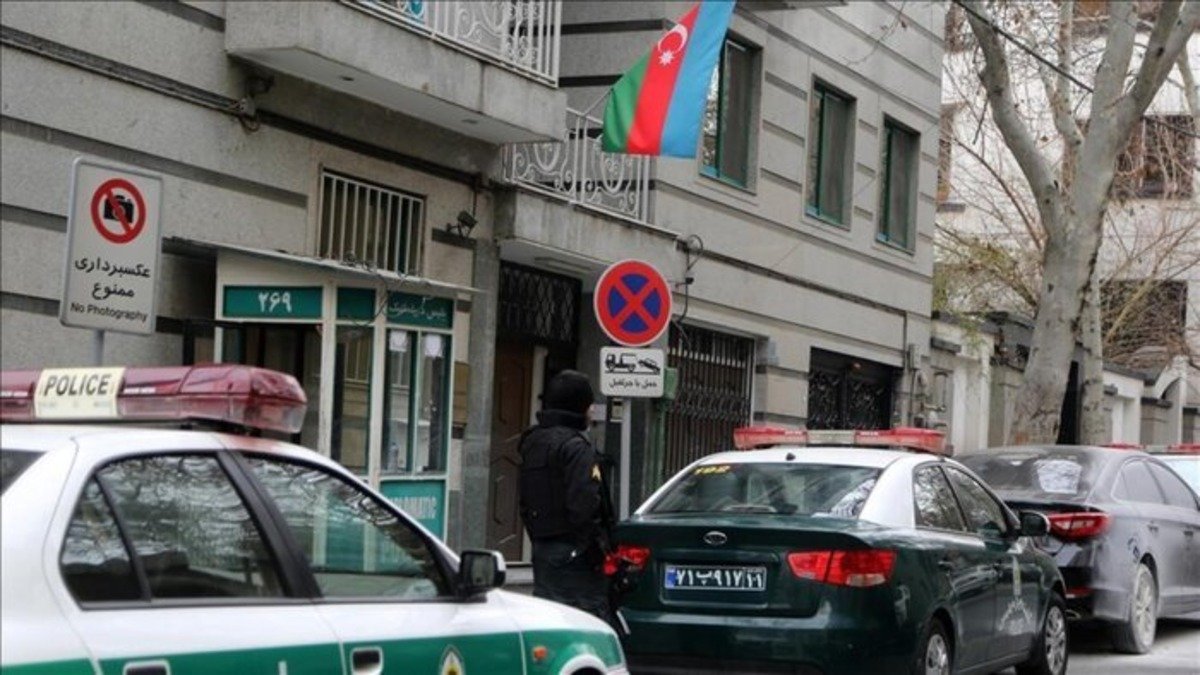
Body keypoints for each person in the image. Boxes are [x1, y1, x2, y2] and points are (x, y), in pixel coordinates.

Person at [518, 369, 615, 623]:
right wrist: (596, 550)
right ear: (578, 406)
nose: (592, 410)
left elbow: (525, 502)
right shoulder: (576, 448)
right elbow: (584, 506)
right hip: (576, 559)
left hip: (543, 552)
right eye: (589, 404)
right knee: (586, 623)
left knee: (550, 622)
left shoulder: (533, 442)